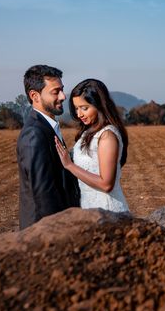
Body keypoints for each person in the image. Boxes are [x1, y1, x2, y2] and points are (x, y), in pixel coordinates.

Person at [16, 65, 80, 229]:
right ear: (34, 96)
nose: (63, 96)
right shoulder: (34, 135)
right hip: (44, 233)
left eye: (62, 90)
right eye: (55, 91)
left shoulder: (47, 127)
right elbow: (43, 196)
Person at [54, 78, 130, 213]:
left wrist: (70, 165)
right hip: (89, 209)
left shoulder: (107, 137)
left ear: (100, 105)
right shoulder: (88, 132)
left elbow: (106, 185)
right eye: (76, 108)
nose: (79, 114)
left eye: (84, 108)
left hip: (108, 211)